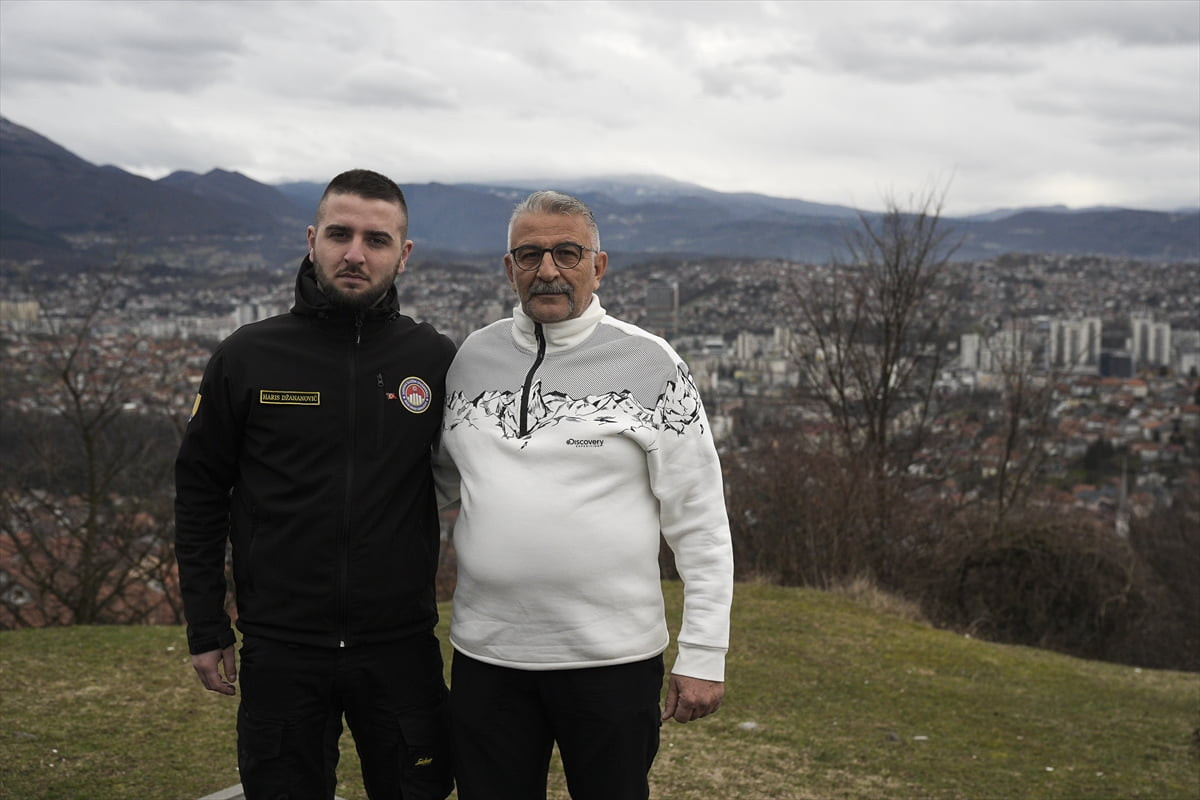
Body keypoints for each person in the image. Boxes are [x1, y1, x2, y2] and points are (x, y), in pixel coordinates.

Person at [434, 190, 734, 799]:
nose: (548, 269)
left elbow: (699, 520)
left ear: (598, 266)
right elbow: (435, 482)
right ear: (508, 267)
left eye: (567, 253)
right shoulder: (470, 358)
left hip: (611, 661)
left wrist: (704, 651)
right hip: (488, 655)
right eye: (530, 254)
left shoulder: (652, 364)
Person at [175, 169, 456, 800]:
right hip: (281, 647)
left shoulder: (433, 360)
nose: (355, 253)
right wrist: (206, 625)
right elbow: (198, 495)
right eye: (340, 234)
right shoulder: (247, 356)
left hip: (400, 646)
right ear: (311, 239)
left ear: (403, 254)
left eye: (377, 239)